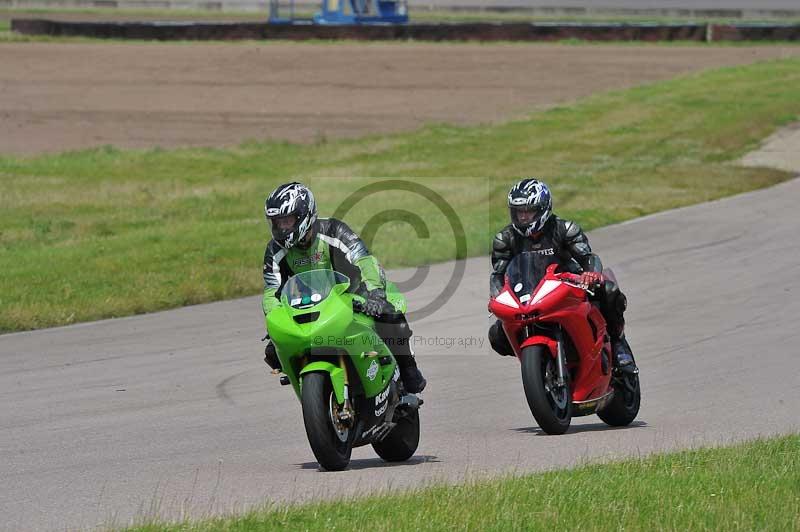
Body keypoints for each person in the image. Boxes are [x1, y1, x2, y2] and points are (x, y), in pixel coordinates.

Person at [261, 182, 427, 393]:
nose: (281, 228)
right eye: (276, 223)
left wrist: (376, 294)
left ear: (304, 215)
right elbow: (271, 291)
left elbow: (364, 261)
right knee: (273, 351)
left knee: (389, 315)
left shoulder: (334, 230)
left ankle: (408, 367)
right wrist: (274, 317)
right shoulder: (274, 250)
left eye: (286, 221)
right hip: (308, 304)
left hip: (355, 292)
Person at [488, 178, 638, 374]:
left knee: (608, 291)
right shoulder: (504, 239)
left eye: (528, 211)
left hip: (568, 286)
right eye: (518, 212)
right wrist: (497, 296)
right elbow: (499, 274)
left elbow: (588, 257)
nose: (523, 217)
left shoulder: (565, 229)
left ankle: (619, 345)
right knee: (497, 335)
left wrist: (590, 274)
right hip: (529, 295)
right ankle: (538, 364)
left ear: (543, 209)